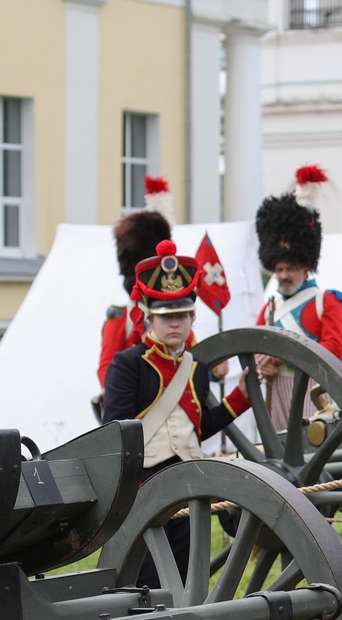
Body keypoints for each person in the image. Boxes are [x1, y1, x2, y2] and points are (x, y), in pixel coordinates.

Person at [103, 240, 252, 587]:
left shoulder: (195, 367)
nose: (175, 324)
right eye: (167, 316)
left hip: (188, 481)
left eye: (182, 315)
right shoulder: (128, 365)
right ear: (148, 316)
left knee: (186, 569)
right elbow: (116, 431)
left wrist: (240, 397)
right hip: (145, 484)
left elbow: (199, 428)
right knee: (148, 574)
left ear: (192, 317)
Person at [98, 177, 227, 389]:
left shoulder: (178, 313)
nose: (174, 321)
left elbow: (191, 359)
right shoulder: (121, 318)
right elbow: (106, 368)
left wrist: (213, 372)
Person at [254, 164, 342, 430]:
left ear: (305, 268)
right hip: (279, 389)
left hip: (316, 388)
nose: (283, 275)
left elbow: (333, 350)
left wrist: (281, 357)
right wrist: (263, 365)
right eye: (279, 269)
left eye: (290, 268)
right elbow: (255, 347)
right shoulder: (270, 307)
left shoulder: (326, 302)